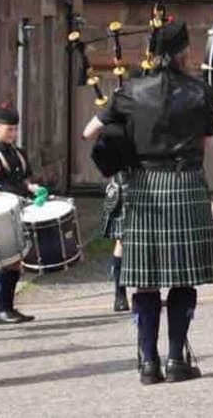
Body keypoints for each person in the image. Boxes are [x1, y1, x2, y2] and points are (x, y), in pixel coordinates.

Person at [95, 20, 213, 384]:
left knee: (145, 279)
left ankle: (148, 363)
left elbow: (92, 131)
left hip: (144, 184)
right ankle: (177, 360)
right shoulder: (202, 91)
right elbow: (207, 145)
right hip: (186, 182)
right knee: (184, 277)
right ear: (185, 52)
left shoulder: (130, 91)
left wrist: (125, 135)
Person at [0, 104, 38, 324]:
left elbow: (24, 180)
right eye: (8, 129)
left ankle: (6, 308)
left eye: (15, 129)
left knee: (15, 260)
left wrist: (33, 189)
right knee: (1, 260)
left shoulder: (18, 153)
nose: (13, 133)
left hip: (17, 210)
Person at [84, 110, 130, 313]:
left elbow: (87, 134)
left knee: (125, 241)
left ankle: (134, 294)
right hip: (130, 177)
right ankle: (122, 294)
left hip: (132, 176)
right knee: (123, 240)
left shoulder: (117, 109)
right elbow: (88, 134)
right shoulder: (118, 109)